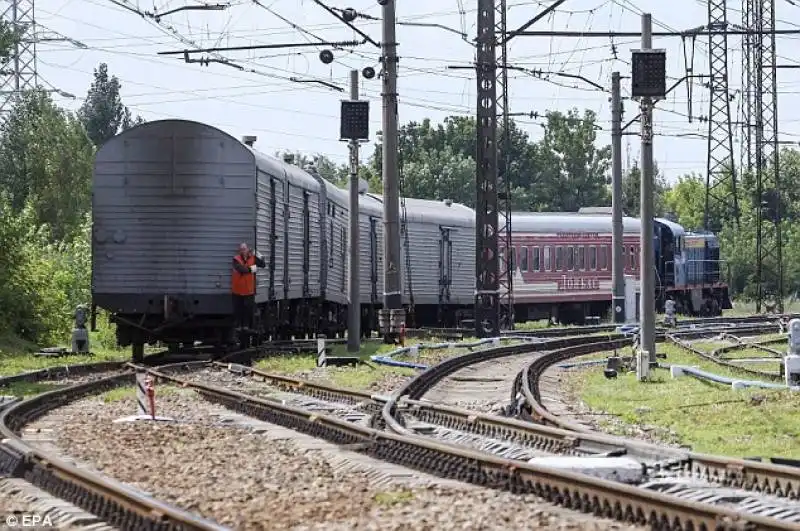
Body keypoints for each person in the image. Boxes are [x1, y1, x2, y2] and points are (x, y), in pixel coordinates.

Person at [231, 243, 266, 331]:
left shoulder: (253, 258)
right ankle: (238, 325)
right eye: (241, 249)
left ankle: (246, 325)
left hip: (248, 290)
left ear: (247, 249)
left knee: (248, 309)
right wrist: (252, 269)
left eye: (245, 249)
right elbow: (241, 269)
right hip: (238, 290)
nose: (243, 251)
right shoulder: (236, 259)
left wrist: (257, 253)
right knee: (238, 309)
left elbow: (262, 264)